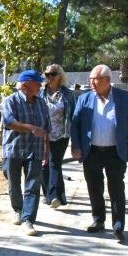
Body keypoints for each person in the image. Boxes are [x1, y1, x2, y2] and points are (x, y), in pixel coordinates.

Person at [71, 64, 128, 243]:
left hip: (115, 152)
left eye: (95, 79)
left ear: (107, 80)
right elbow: (75, 124)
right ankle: (98, 220)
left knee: (116, 189)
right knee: (94, 187)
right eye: (90, 79)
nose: (91, 82)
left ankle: (118, 225)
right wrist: (76, 146)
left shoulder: (124, 98)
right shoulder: (84, 99)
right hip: (91, 151)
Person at [0, 70, 50, 236]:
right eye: (38, 84)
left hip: (35, 150)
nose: (41, 86)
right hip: (14, 149)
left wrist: (47, 150)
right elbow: (9, 122)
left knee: (33, 186)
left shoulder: (42, 103)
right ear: (25, 86)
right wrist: (31, 128)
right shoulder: (10, 101)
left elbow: (46, 129)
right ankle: (18, 209)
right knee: (13, 183)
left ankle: (28, 220)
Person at [39, 64, 76, 209]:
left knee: (54, 162)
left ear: (59, 76)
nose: (49, 77)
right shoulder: (41, 93)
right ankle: (53, 195)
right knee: (43, 165)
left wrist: (76, 139)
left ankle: (53, 196)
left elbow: (73, 115)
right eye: (47, 74)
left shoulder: (67, 94)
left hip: (61, 134)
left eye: (52, 74)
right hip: (43, 134)